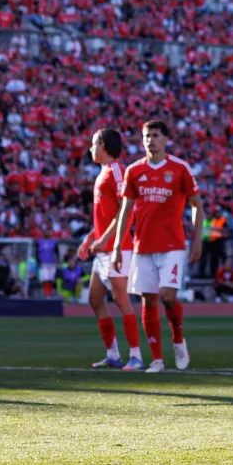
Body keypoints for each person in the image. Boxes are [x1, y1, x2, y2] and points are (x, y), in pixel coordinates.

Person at [107, 119, 201, 372]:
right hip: (143, 245)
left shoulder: (180, 168)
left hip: (173, 244)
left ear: (165, 139)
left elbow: (196, 204)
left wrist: (197, 239)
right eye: (147, 135)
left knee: (168, 297)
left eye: (156, 135)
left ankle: (178, 340)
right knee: (148, 301)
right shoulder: (134, 171)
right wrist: (117, 246)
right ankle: (157, 359)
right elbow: (126, 211)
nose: (151, 140)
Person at [75, 127, 143, 370]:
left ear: (103, 145)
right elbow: (104, 217)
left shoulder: (116, 172)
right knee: (95, 299)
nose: (91, 148)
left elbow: (125, 212)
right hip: (105, 248)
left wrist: (105, 240)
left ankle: (136, 355)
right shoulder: (104, 172)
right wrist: (90, 238)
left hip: (118, 247)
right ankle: (113, 354)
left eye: (94, 143)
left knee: (121, 299)